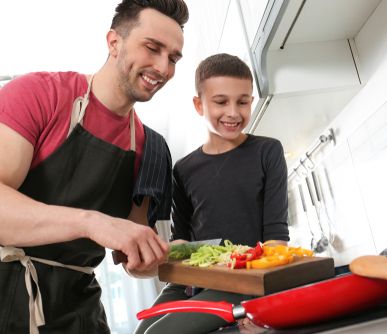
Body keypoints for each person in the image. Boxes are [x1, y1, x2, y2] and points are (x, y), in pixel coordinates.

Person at [0, 0, 188, 333]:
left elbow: (134, 260)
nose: (163, 67)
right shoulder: (39, 95)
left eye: (173, 58)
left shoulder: (153, 151)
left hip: (79, 314)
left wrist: (162, 256)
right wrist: (90, 222)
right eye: (152, 48)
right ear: (114, 42)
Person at [134, 53, 290, 334]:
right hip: (192, 279)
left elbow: (276, 238)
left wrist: (270, 303)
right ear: (199, 104)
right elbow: (181, 239)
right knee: (143, 331)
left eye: (243, 102)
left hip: (244, 281)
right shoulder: (183, 169)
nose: (233, 112)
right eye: (221, 102)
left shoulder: (268, 151)